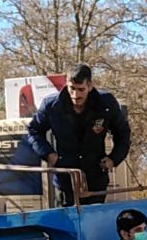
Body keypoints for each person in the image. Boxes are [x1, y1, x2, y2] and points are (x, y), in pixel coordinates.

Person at [25, 63, 132, 207]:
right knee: (68, 220)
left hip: (96, 178)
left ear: (90, 86)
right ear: (66, 84)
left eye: (81, 89)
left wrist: (113, 159)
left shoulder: (106, 104)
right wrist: (49, 154)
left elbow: (123, 133)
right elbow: (33, 130)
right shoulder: (51, 105)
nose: (76, 95)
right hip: (65, 178)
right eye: (72, 89)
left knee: (93, 219)